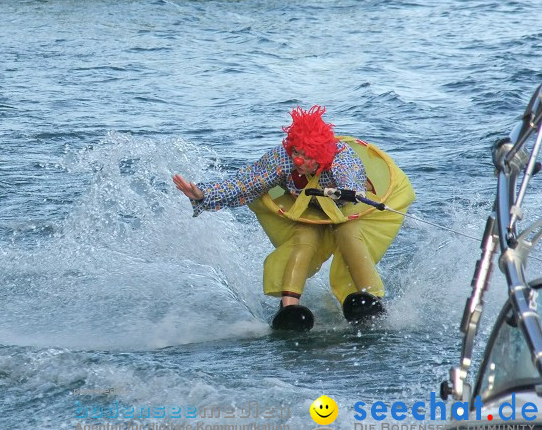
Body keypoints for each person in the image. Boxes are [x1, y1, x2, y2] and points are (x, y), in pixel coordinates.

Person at [173, 106, 415, 329]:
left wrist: (345, 190)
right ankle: (289, 308)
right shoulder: (284, 158)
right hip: (306, 209)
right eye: (296, 152)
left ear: (320, 155)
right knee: (304, 237)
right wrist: (204, 193)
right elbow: (247, 183)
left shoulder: (342, 157)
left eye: (306, 156)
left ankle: (370, 297)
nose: (299, 160)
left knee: (348, 233)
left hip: (352, 207)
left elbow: (351, 178)